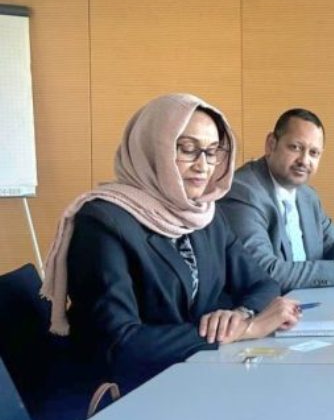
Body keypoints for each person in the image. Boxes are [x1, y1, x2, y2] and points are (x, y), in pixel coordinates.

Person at [42, 94, 300, 392]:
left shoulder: (203, 214)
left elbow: (262, 283)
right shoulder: (103, 222)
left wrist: (241, 314)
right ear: (153, 149)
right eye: (188, 149)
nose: (203, 165)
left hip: (194, 375)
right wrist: (244, 330)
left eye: (212, 152)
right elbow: (121, 344)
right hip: (125, 391)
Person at [222, 108, 334, 293]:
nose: (304, 160)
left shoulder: (307, 195)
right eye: (295, 147)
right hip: (265, 306)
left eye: (314, 153)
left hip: (310, 300)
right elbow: (264, 271)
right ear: (271, 144)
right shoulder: (243, 192)